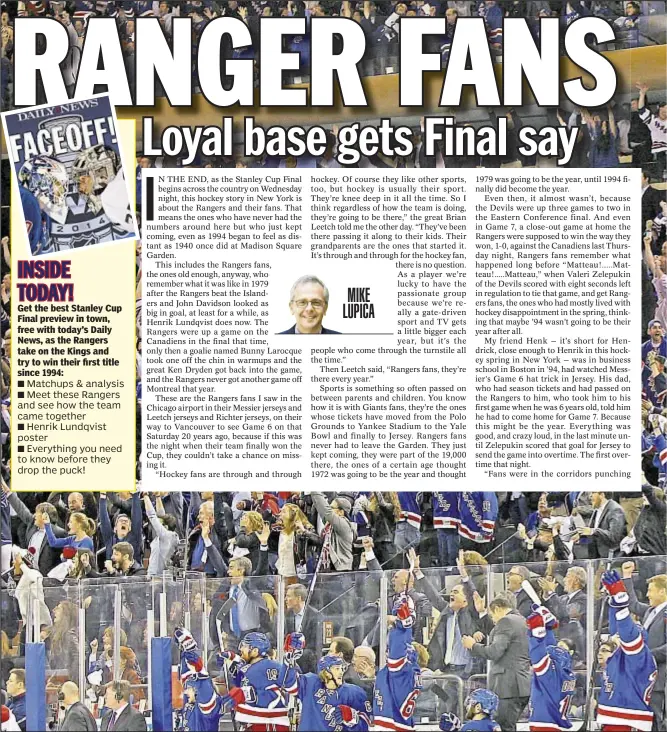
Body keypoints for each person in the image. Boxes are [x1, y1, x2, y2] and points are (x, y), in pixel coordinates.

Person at [596, 570, 658, 732]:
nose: (616, 636)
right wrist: (613, 600)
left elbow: (626, 632)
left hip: (627, 720)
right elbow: (616, 628)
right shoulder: (623, 656)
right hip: (619, 717)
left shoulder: (638, 655)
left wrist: (622, 605)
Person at [462, 594, 531, 732]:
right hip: (520, 685)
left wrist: (473, 645)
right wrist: (482, 612)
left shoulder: (506, 622)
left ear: (498, 609)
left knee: (504, 727)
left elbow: (494, 652)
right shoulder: (522, 621)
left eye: (492, 616)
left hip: (507, 687)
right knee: (509, 726)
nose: (493, 621)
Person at [216, 630, 298, 731]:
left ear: (255, 651)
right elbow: (240, 674)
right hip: (251, 723)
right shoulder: (248, 667)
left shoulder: (272, 667)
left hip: (268, 724)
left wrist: (248, 694)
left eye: (245, 646)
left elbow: (280, 693)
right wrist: (228, 659)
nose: (241, 649)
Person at [621, 563, 667, 729]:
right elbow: (632, 604)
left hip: (660, 679)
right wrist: (627, 577)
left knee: (656, 721)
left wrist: (646, 655)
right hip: (643, 677)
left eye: (650, 590)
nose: (647, 594)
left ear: (662, 592)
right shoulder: (649, 611)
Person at [372, 597, 426, 731]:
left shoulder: (402, 670)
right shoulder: (409, 670)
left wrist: (401, 625)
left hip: (393, 726)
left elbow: (398, 650)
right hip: (402, 725)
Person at [525, 605, 575, 732]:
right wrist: (548, 628)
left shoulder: (550, 675)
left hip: (545, 725)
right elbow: (550, 650)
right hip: (556, 724)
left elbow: (538, 654)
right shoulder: (565, 673)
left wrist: (537, 634)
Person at [297, 654, 371, 731]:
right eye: (337, 668)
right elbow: (288, 682)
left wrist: (353, 718)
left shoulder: (354, 693)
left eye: (342, 668)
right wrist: (289, 658)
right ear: (326, 673)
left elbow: (368, 724)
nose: (341, 672)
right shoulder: (310, 684)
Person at [576, 492, 627, 559]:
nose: (590, 496)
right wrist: (581, 534)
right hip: (598, 557)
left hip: (613, 557)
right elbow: (593, 532)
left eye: (593, 492)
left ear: (602, 495)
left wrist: (593, 531)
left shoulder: (615, 510)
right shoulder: (597, 510)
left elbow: (614, 536)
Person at [285, 583, 322, 653]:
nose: (285, 599)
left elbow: (315, 644)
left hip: (307, 656)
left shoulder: (315, 615)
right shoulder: (286, 614)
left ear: (299, 598)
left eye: (288, 596)